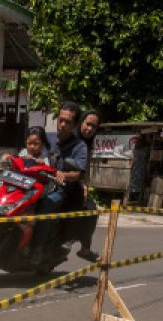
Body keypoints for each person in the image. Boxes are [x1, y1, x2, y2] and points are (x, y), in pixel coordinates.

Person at [35, 101, 88, 247]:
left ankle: (38, 248)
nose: (63, 124)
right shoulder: (47, 137)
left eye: (68, 122)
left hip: (60, 189)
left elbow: (77, 173)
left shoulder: (79, 146)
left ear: (75, 125)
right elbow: (29, 148)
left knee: (46, 206)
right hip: (37, 183)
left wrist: (64, 175)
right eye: (61, 120)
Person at [71, 109, 101, 260]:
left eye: (93, 127)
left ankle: (85, 248)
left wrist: (85, 186)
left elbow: (85, 170)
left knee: (91, 210)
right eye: (87, 124)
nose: (89, 129)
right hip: (58, 179)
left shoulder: (87, 145)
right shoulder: (70, 139)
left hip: (75, 184)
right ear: (80, 122)